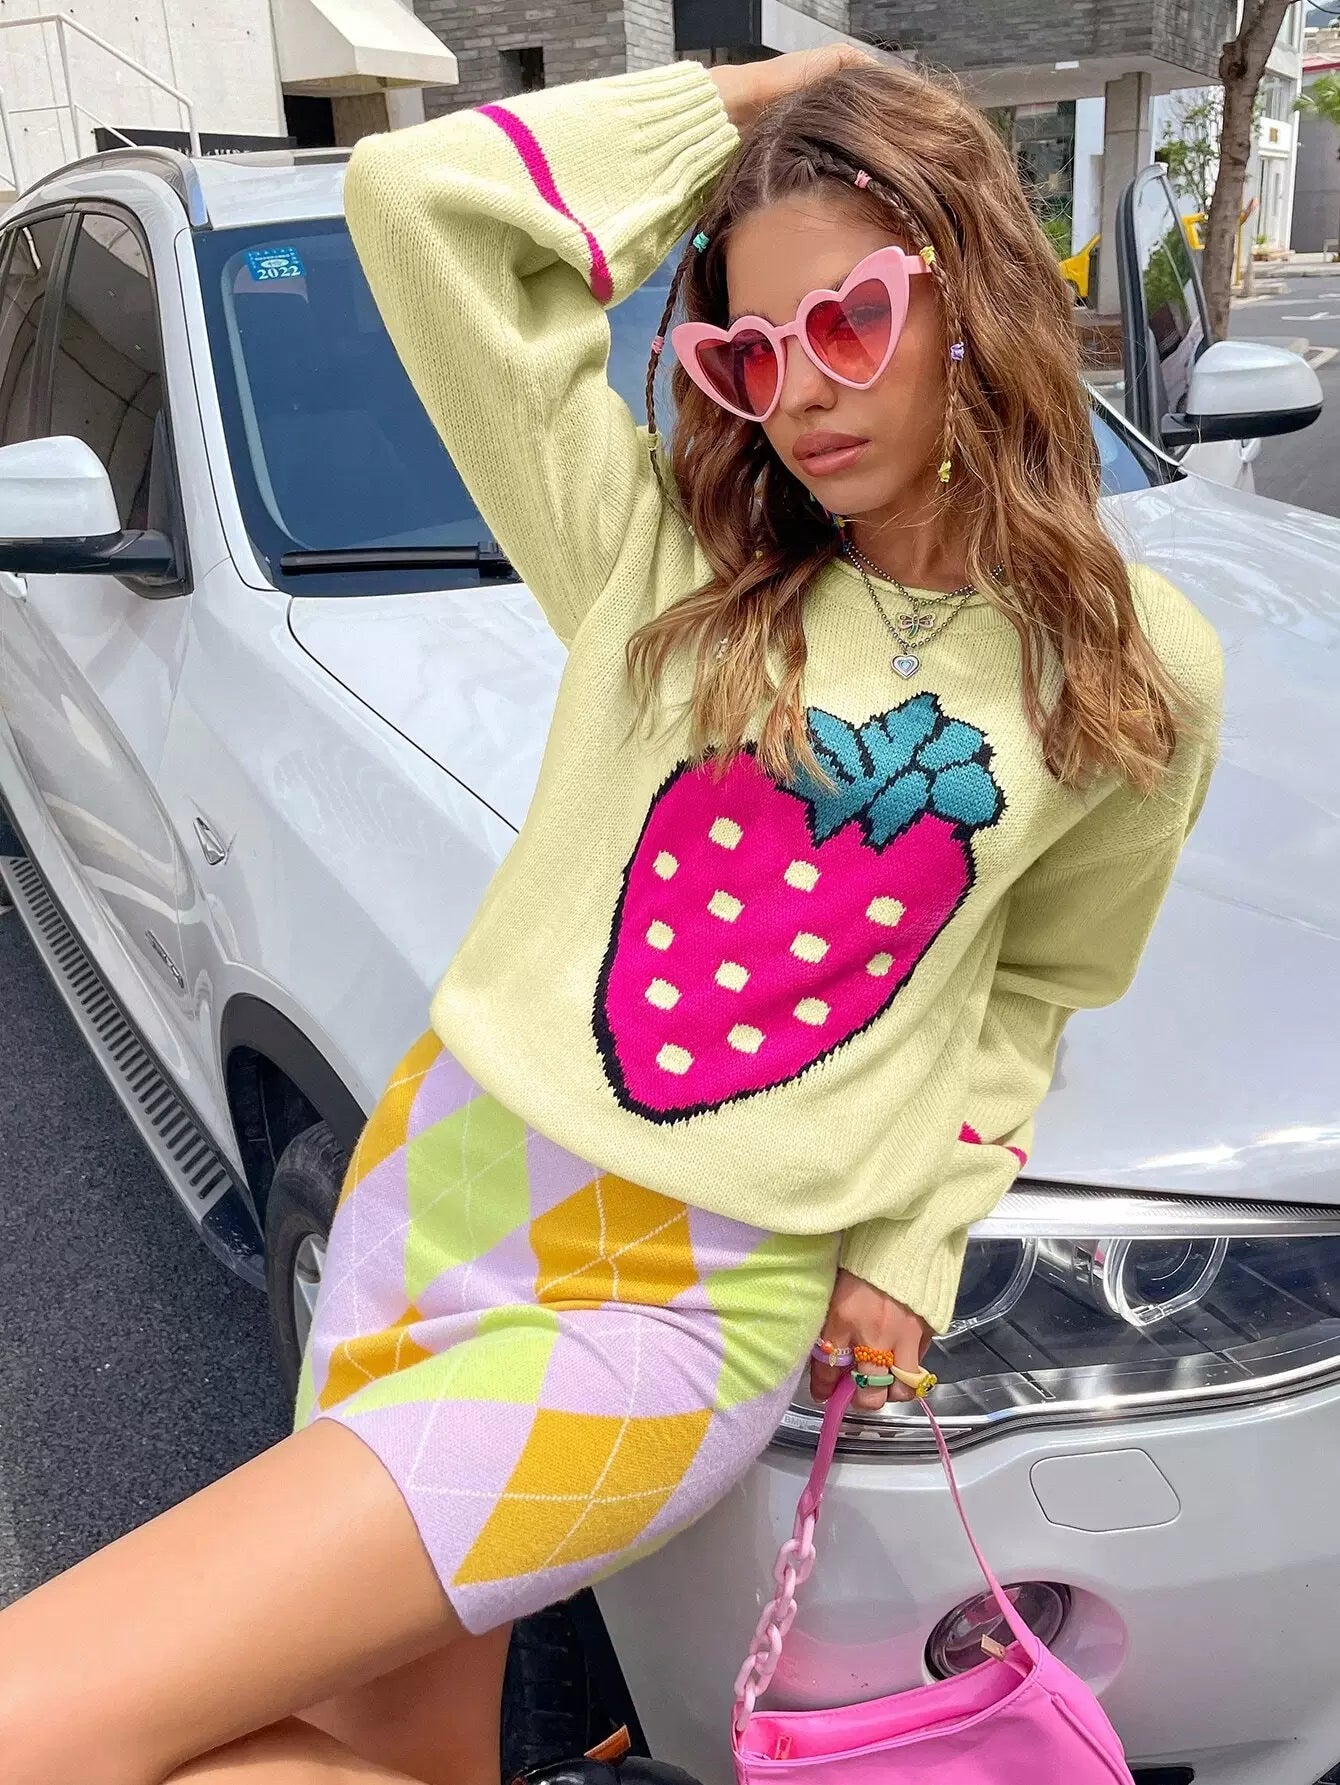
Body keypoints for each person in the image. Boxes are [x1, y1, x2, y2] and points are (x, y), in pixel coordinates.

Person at [0, 42, 1221, 1785]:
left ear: (972, 292)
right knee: (393, 1749)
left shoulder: (1129, 663)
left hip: (675, 1303)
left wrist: (910, 1239)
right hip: (437, 1193)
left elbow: (1037, 980)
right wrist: (767, 91)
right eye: (749, 352)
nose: (801, 391)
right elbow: (415, 203)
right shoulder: (672, 576)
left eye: (853, 319)